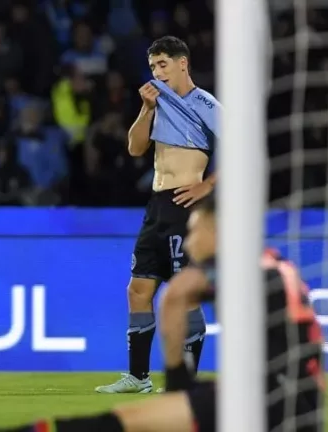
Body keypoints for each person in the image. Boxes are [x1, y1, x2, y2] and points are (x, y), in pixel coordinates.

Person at [0, 194, 325, 432]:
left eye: (195, 229)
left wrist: (179, 385)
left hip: (265, 404)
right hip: (292, 403)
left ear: (218, 229)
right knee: (127, 421)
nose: (189, 239)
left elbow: (175, 295)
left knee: (122, 422)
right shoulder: (274, 264)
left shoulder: (236, 265)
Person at [96, 36, 219, 393]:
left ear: (183, 63)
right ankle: (138, 377)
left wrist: (206, 187)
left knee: (186, 294)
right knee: (138, 289)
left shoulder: (205, 104)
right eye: (152, 66)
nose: (157, 72)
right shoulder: (157, 102)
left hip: (187, 207)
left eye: (163, 64)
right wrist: (146, 109)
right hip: (157, 206)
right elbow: (135, 148)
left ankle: (187, 383)